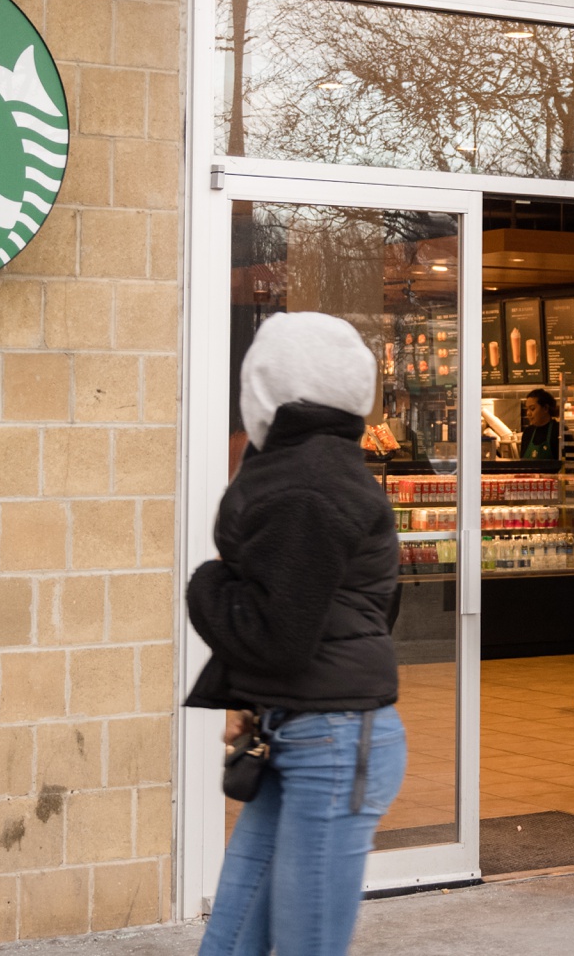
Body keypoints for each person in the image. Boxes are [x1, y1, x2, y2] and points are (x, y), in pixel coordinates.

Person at [185, 312, 407, 956]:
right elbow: (343, 613)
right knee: (229, 941)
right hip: (304, 726)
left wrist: (206, 584)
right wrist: (250, 698)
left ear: (267, 388)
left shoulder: (307, 484)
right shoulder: (315, 468)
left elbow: (276, 632)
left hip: (333, 742)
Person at [519, 387, 562, 461]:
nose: (528, 413)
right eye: (527, 409)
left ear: (545, 408)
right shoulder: (528, 432)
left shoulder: (559, 431)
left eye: (532, 409)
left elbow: (571, 466)